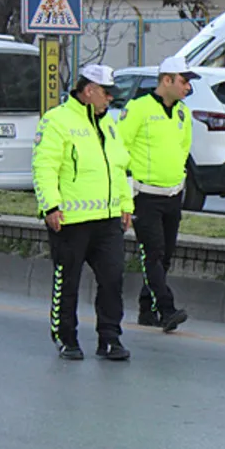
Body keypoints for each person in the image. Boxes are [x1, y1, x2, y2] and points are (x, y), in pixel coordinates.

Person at [32, 64, 135, 361]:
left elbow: (120, 167)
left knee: (113, 279)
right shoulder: (58, 121)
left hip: (107, 219)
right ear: (88, 90)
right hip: (70, 220)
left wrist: (126, 205)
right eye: (106, 92)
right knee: (68, 281)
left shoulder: (109, 123)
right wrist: (50, 205)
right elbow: (44, 166)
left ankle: (110, 338)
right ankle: (66, 337)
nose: (110, 99)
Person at [118, 56, 199, 333]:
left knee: (165, 256)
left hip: (172, 194)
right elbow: (120, 149)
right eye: (183, 81)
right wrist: (124, 194)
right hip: (145, 195)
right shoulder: (138, 109)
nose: (187, 87)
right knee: (152, 253)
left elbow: (183, 148)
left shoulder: (182, 112)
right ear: (167, 80)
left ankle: (146, 308)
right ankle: (166, 309)